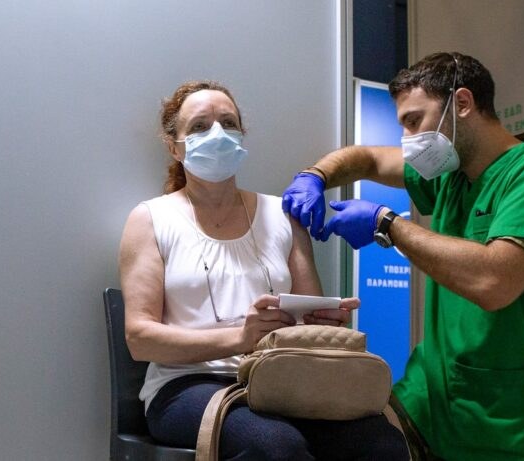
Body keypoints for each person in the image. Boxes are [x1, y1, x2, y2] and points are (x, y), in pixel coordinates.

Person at [282, 52, 524, 460]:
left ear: (462, 103)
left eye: (414, 121)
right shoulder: (452, 175)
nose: (407, 139)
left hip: (510, 415)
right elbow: (367, 159)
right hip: (429, 397)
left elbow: (494, 282)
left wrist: (386, 224)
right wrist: (316, 176)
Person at [118, 80, 409, 460]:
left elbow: (309, 318)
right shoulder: (151, 219)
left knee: (381, 444)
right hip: (186, 384)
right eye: (200, 126)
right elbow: (140, 339)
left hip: (283, 379)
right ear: (174, 147)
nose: (218, 134)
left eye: (228, 123)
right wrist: (241, 338)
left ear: (242, 135)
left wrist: (325, 322)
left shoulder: (283, 216)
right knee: (275, 446)